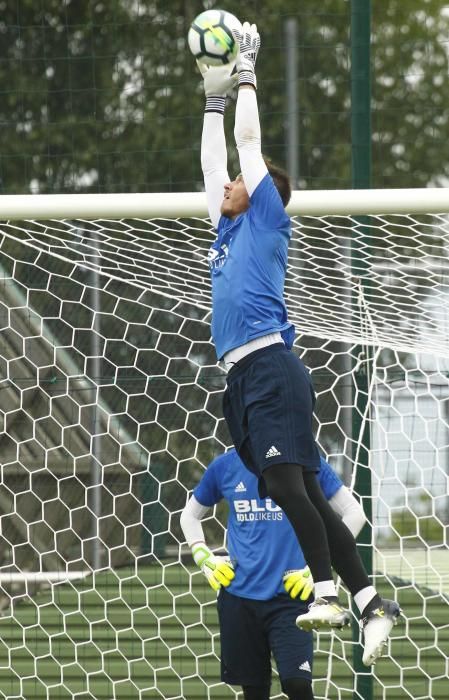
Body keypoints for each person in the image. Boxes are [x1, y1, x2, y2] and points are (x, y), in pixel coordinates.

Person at [198, 20, 401, 666]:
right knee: (301, 491)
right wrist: (210, 95)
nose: (228, 182)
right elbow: (211, 163)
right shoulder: (225, 234)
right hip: (242, 380)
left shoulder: (263, 219)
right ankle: (370, 601)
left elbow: (247, 146)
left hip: (270, 367)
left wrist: (247, 74)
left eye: (239, 182)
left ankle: (324, 595)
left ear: (259, 198)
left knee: (286, 486)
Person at [180, 448, 367, 700]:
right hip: (239, 598)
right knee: (254, 691)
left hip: (290, 597)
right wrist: (203, 556)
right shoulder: (225, 465)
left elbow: (355, 513)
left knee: (297, 685)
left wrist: (318, 570)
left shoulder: (305, 461)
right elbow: (190, 515)